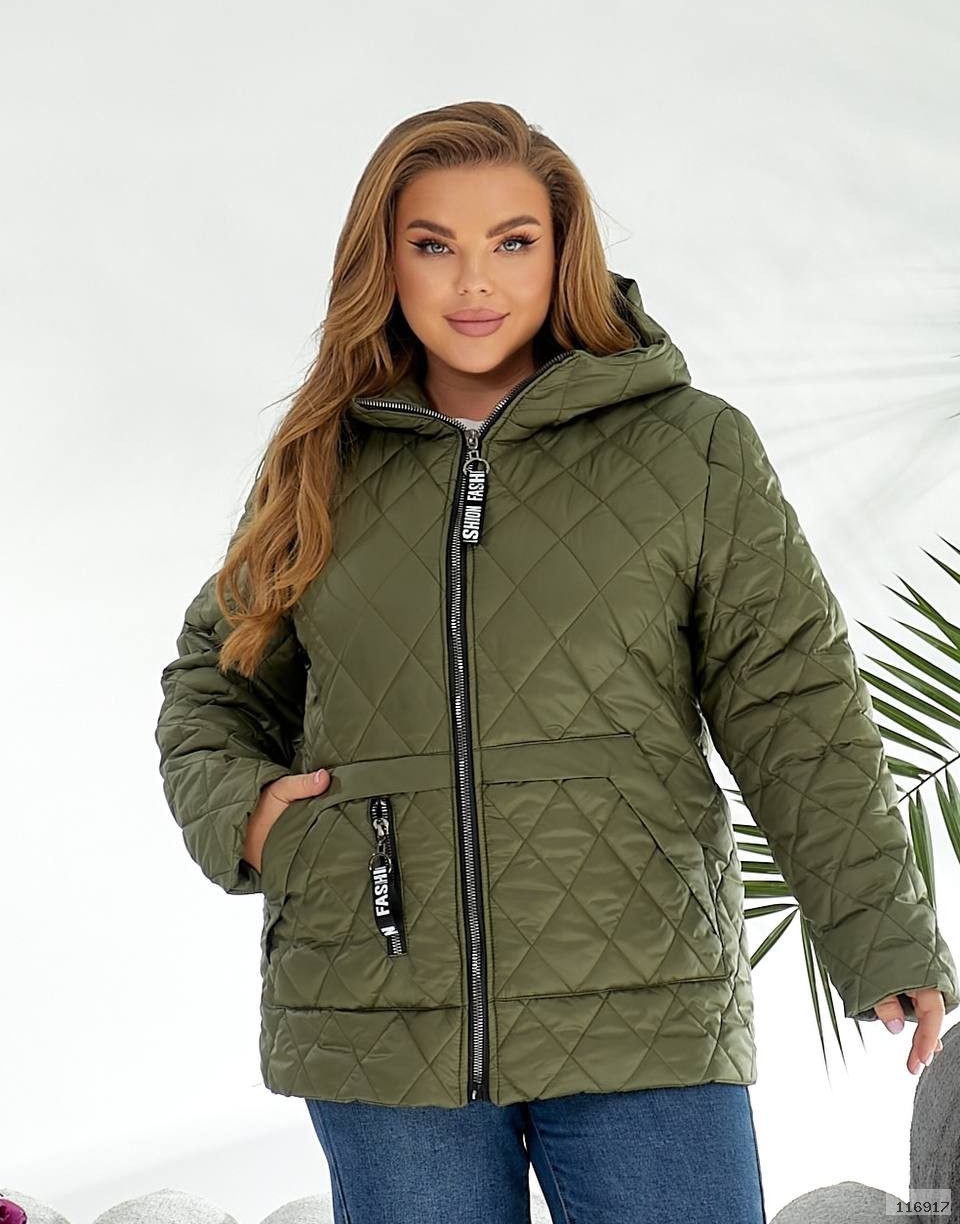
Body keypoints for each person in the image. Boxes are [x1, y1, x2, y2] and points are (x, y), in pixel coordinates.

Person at [155, 100, 959, 1224]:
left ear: (563, 251)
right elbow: (214, 683)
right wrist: (249, 817)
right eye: (433, 244)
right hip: (378, 1006)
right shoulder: (320, 462)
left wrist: (877, 926)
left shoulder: (689, 446)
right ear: (384, 261)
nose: (474, 281)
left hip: (647, 995)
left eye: (512, 241)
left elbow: (792, 698)